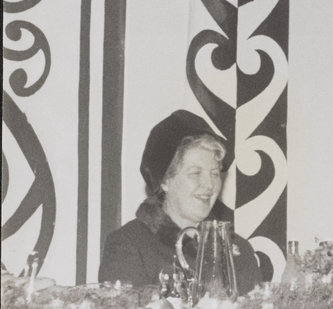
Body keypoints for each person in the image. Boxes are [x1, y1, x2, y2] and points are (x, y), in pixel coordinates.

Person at [98, 110, 261, 293]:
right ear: (165, 181)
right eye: (195, 173)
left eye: (215, 173)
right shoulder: (129, 246)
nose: (210, 184)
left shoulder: (239, 251)